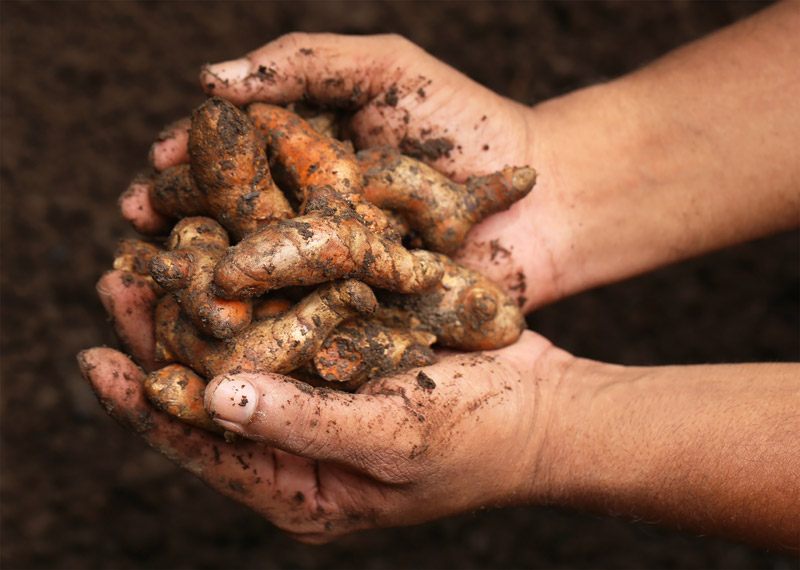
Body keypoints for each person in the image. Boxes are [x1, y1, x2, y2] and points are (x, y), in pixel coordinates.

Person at [79, 2, 799, 549]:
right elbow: (236, 280)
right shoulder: (280, 239)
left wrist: (545, 432)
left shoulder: (350, 241)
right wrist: (565, 160)